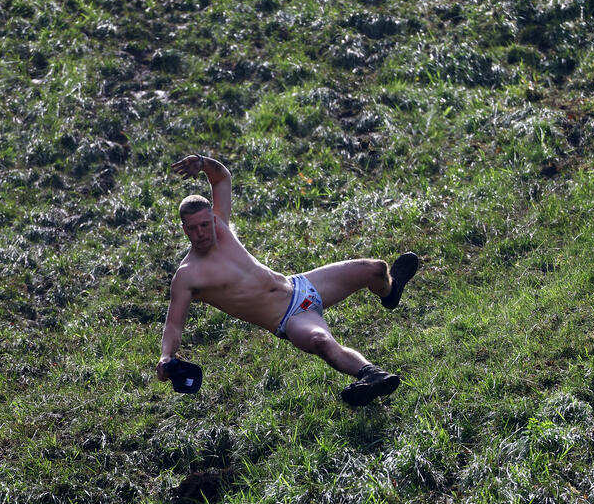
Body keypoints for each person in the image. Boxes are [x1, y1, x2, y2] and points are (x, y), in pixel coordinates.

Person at [156, 154, 419, 407]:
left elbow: (222, 177)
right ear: (184, 229)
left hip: (300, 286)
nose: (202, 232)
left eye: (205, 224)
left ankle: (391, 290)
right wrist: (166, 357)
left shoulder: (219, 225)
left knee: (375, 269)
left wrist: (202, 163)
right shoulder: (188, 275)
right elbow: (174, 325)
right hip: (290, 319)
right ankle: (370, 375)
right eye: (193, 228)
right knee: (321, 342)